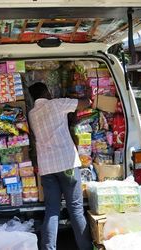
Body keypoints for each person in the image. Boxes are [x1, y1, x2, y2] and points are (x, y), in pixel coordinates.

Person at [28, 82, 93, 250]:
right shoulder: (57, 104)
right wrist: (86, 96)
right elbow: (86, 104)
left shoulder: (32, 114)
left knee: (52, 211)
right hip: (67, 164)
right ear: (47, 91)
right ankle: (86, 248)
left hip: (47, 168)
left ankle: (48, 248)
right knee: (76, 209)